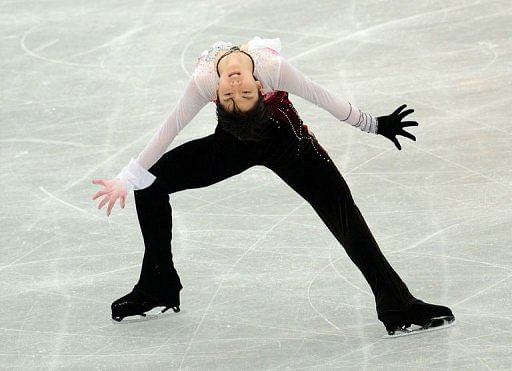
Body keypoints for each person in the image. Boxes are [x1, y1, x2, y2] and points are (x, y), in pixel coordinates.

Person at [91, 37, 454, 337]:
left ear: (261, 87)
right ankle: (159, 285)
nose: (235, 86)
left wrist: (374, 124)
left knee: (344, 216)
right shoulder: (211, 84)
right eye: (234, 94)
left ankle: (398, 306)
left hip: (288, 140)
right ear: (216, 98)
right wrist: (127, 177)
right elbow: (168, 129)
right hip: (232, 139)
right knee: (148, 181)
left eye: (240, 92)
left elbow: (322, 97)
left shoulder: (271, 68)